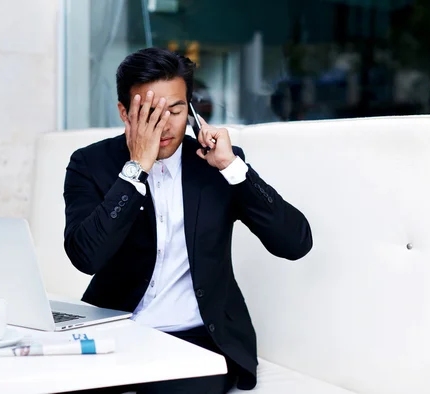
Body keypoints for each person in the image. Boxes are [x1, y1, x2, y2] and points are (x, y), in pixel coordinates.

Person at [63, 47, 313, 394]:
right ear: (124, 112)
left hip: (199, 339)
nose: (164, 125)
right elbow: (85, 256)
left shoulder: (218, 165)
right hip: (116, 331)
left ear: (192, 110)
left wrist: (233, 170)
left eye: (176, 110)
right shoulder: (90, 163)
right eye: (149, 113)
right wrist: (136, 170)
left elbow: (295, 242)